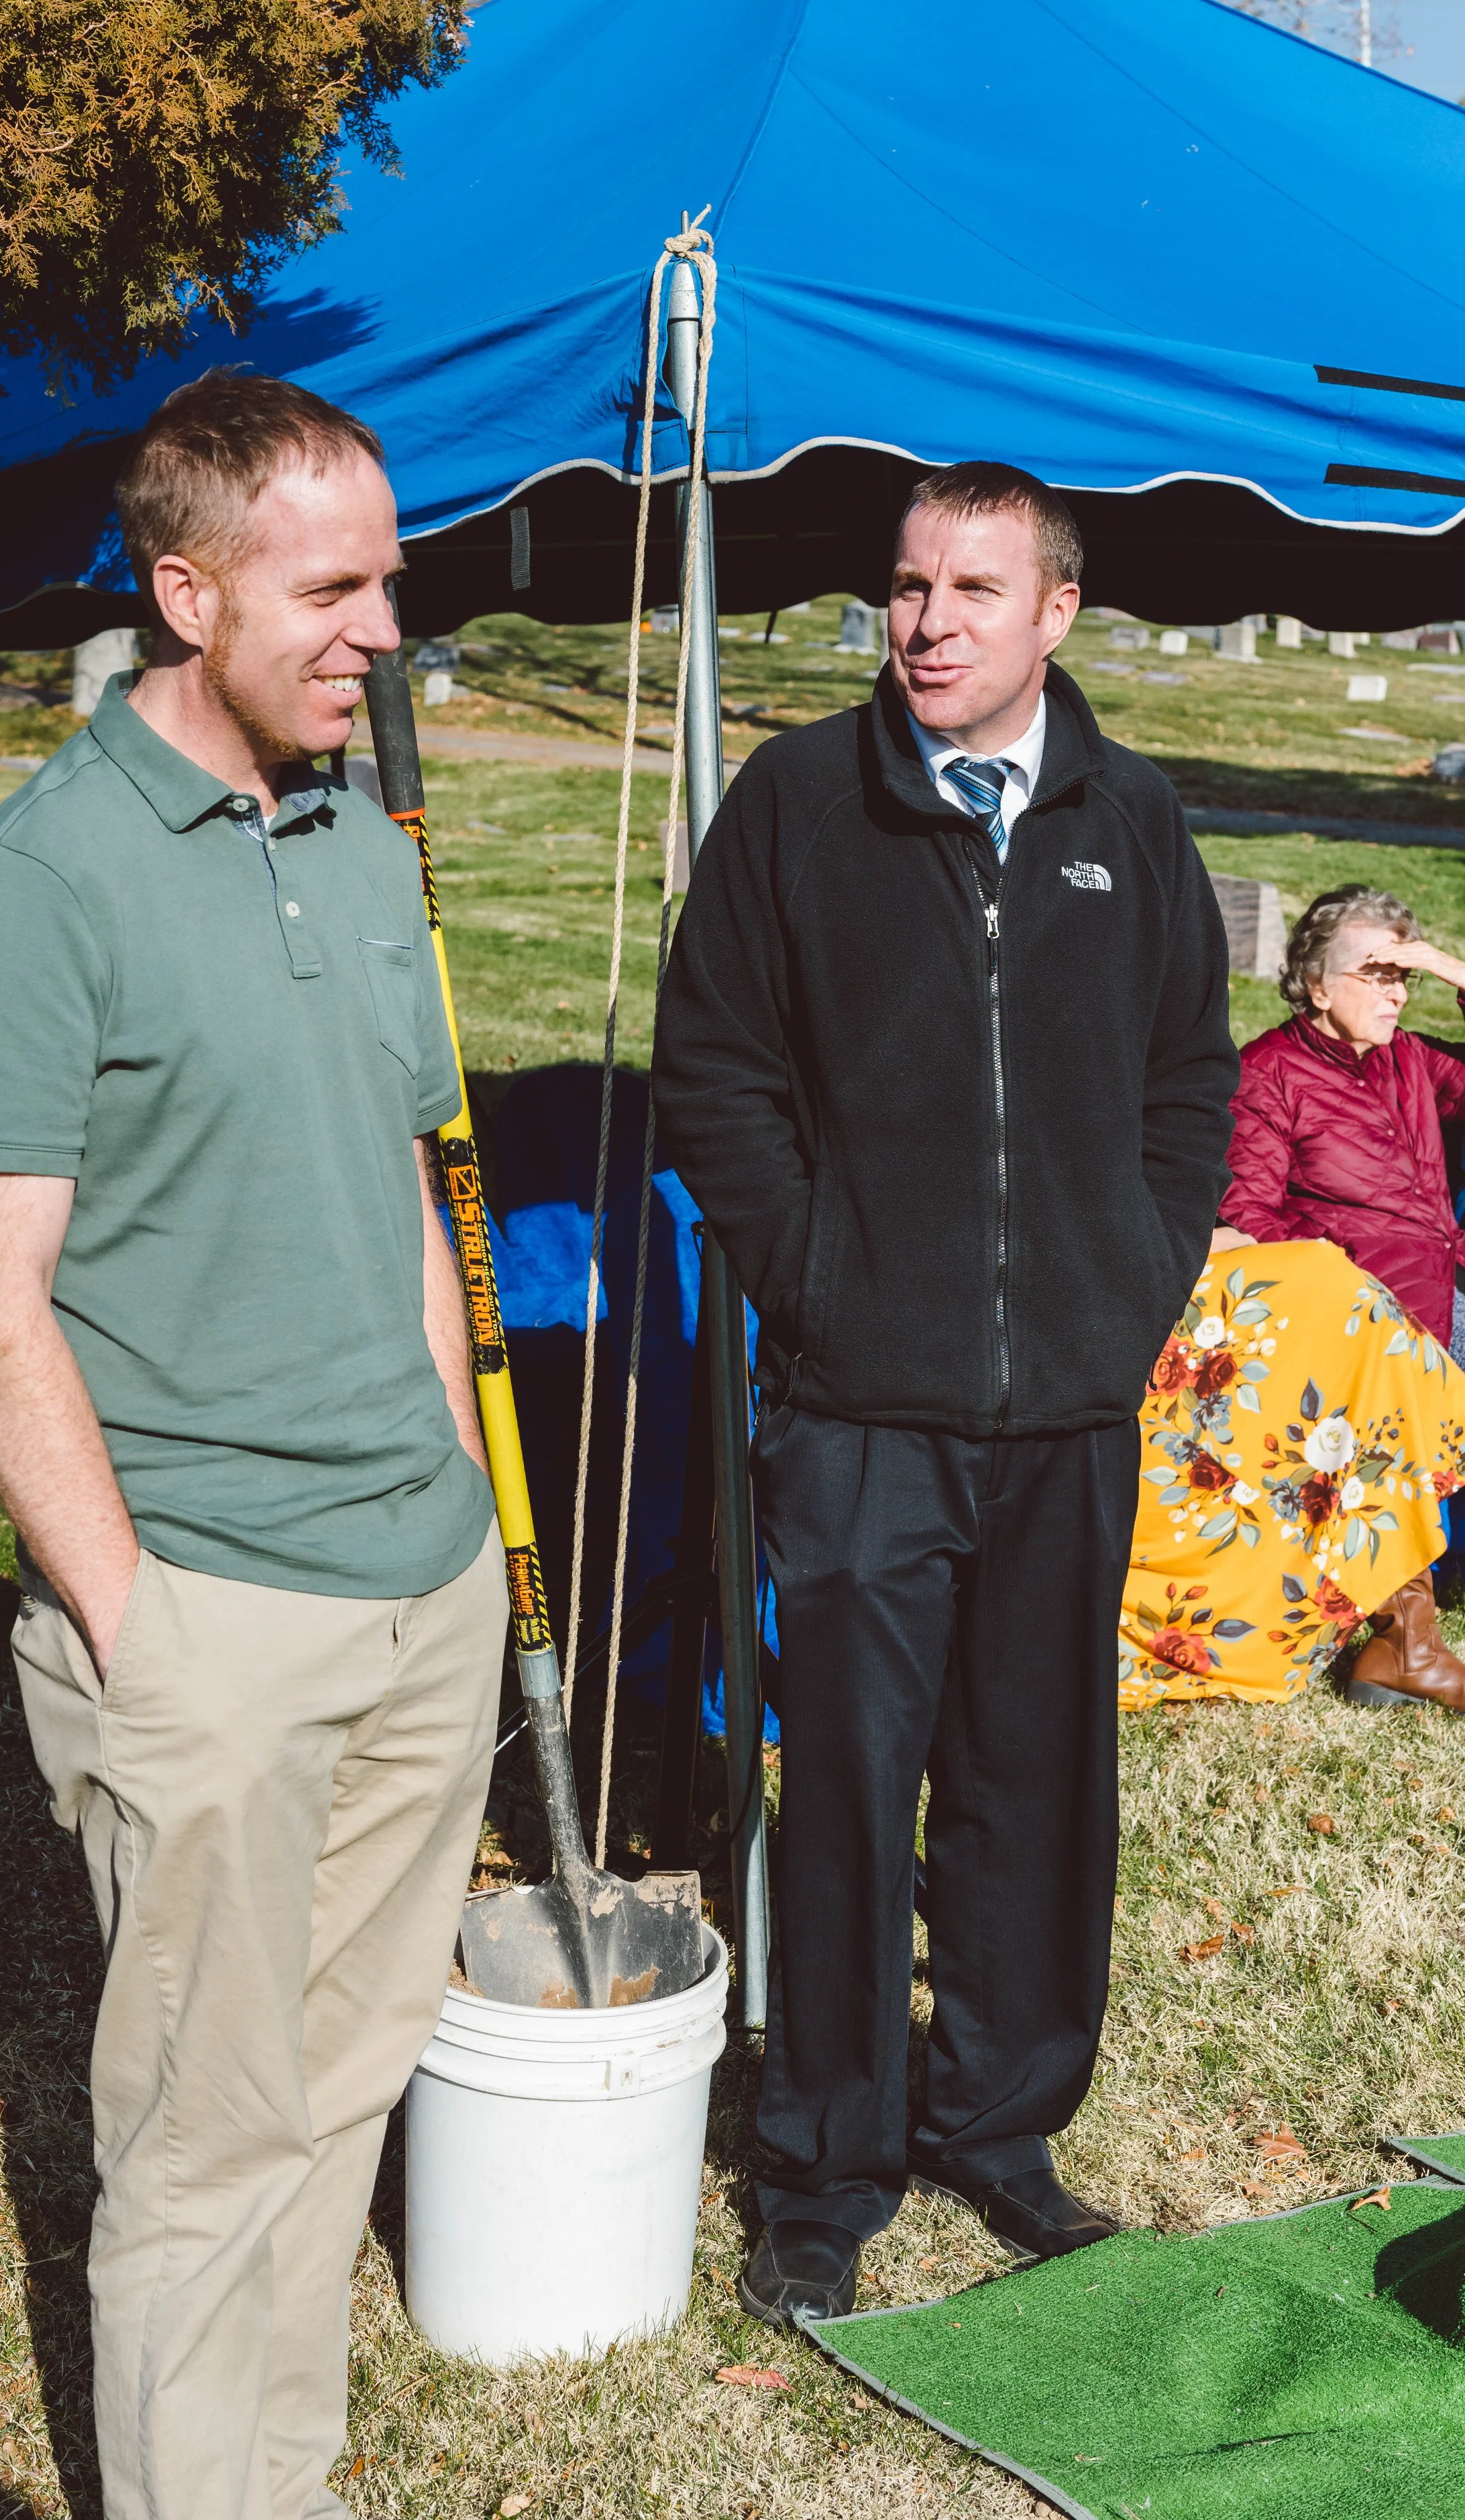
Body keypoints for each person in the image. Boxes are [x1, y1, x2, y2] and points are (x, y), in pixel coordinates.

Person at [0, 371, 506, 2520]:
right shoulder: (41, 880)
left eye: (392, 581)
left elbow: (408, 1182)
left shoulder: (356, 834)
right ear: (185, 590)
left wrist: (452, 1504)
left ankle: (285, 2484)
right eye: (330, 589)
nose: (381, 629)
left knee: (336, 2093)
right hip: (212, 1621)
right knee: (198, 2137)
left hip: (415, 1588)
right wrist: (135, 1635)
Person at [653, 461, 1238, 2321]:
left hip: (1065, 1407)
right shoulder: (796, 806)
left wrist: (1125, 1288)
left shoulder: (1128, 821)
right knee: (841, 1785)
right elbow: (714, 1073)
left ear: (1056, 611)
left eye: (972, 589)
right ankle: (823, 2165)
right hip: (857, 1410)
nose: (925, 624)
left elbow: (1185, 1090)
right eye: (908, 587)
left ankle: (1001, 2128)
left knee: (1033, 1781)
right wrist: (815, 1283)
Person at [1181, 883, 1465, 1709]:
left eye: (1401, 976)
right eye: (1374, 972)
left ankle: (1404, 1630)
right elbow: (1251, 1224)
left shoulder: (1409, 1058)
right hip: (1365, 1316)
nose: (1394, 993)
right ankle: (1403, 1638)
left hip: (1445, 1288)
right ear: (1314, 983)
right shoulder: (1271, 1074)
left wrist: (1445, 966)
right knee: (1401, 1382)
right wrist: (1348, 1293)